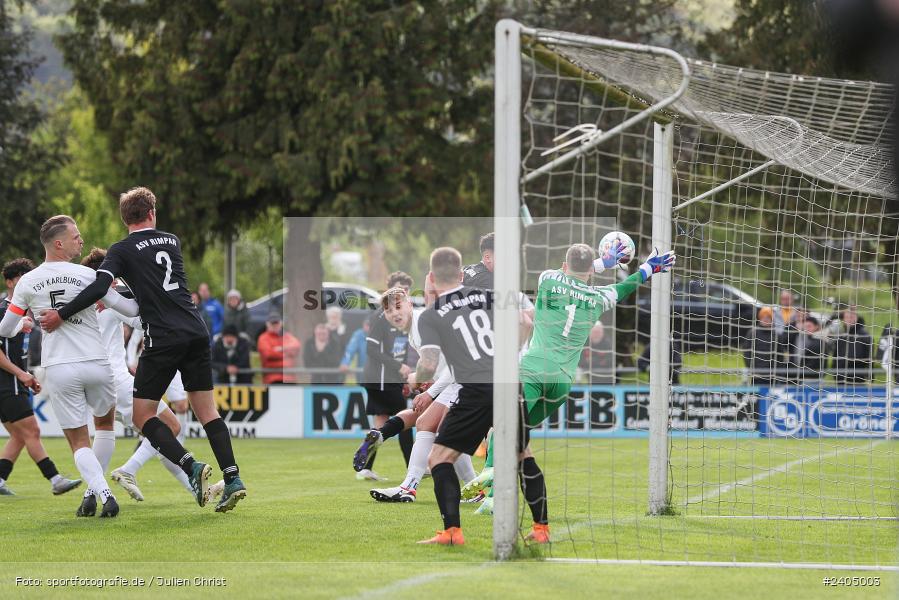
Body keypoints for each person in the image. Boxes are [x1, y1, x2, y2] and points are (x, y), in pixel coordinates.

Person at [38, 188, 247, 513]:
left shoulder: (122, 249)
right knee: (207, 411)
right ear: (152, 212)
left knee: (142, 416)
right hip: (195, 329)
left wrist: (61, 313)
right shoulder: (171, 241)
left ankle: (190, 466)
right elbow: (142, 298)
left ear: (125, 218)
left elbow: (100, 287)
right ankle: (232, 478)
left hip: (163, 336)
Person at [461, 241, 676, 537]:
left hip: (533, 369)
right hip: (562, 380)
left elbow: (573, 272)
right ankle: (497, 499)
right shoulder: (601, 296)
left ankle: (493, 475)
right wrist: (647, 269)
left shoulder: (548, 278)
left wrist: (604, 262)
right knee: (519, 437)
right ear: (589, 271)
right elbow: (626, 286)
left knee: (503, 426)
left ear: (564, 265)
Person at [0, 215, 144, 517]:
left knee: (78, 441)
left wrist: (23, 324)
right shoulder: (89, 276)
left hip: (61, 367)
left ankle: (103, 494)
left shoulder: (29, 280)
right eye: (75, 236)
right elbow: (130, 310)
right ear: (58, 243)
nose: (81, 240)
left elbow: (5, 328)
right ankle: (96, 493)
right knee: (104, 427)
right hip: (97, 363)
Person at [78, 248, 194, 501]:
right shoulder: (110, 298)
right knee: (170, 427)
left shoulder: (80, 301)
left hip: (92, 382)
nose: (119, 281)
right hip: (117, 380)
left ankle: (194, 489)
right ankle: (128, 470)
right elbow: (142, 322)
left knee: (111, 433)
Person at [354, 285, 476, 502]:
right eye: (389, 311)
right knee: (441, 431)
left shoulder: (421, 324)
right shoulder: (415, 330)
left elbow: (456, 364)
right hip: (462, 379)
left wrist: (430, 392)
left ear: (410, 304)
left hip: (467, 380)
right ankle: (474, 489)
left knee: (429, 425)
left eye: (398, 306)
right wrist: (426, 380)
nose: (394, 313)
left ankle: (409, 486)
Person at [0, 258, 81, 497]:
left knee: (19, 435)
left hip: (14, 382)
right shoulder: (5, 312)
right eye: (21, 278)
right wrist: (22, 374)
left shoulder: (23, 312)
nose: (28, 282)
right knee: (32, 431)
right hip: (8, 383)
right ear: (10, 282)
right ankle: (55, 479)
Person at [358, 279, 415, 481]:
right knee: (405, 421)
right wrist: (398, 367)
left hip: (388, 379)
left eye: (406, 290)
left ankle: (365, 465)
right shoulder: (381, 317)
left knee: (381, 424)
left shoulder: (402, 318)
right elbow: (371, 349)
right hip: (381, 379)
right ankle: (413, 469)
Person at [741, 307, 784, 386]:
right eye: (763, 317)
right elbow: (747, 353)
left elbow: (780, 355)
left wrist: (777, 372)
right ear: (760, 318)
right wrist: (752, 370)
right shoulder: (753, 332)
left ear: (772, 319)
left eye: (768, 318)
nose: (766, 320)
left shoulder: (776, 335)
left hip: (772, 375)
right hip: (757, 374)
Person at [257, 313, 301, 384]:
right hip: (272, 379)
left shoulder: (287, 336)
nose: (275, 325)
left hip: (289, 379)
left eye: (277, 323)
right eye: (272, 323)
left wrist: (281, 349)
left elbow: (296, 346)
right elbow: (269, 354)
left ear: (281, 323)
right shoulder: (263, 338)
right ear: (267, 324)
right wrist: (287, 354)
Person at [832, 305, 873, 383]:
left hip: (858, 378)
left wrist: (870, 376)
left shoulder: (864, 335)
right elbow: (835, 356)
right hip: (840, 378)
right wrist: (835, 373)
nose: (849, 319)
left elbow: (869, 357)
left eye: (852, 317)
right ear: (843, 319)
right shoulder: (840, 336)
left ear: (856, 318)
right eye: (846, 317)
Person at [784, 315, 827, 383]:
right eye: (805, 326)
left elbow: (816, 362)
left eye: (809, 326)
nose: (806, 329)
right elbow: (785, 342)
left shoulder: (820, 341)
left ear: (816, 327)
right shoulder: (798, 337)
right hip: (795, 376)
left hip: (812, 378)